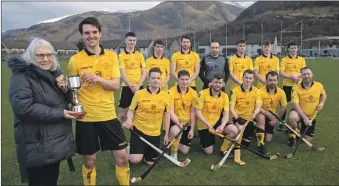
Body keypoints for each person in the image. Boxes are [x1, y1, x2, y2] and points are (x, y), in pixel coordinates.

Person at [67, 17, 130, 185]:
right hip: (86, 117)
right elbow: (71, 91)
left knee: (123, 158)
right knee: (89, 161)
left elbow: (116, 85)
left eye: (94, 32)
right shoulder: (75, 60)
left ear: (100, 33)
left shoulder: (111, 56)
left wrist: (97, 79)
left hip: (108, 115)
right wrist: (69, 85)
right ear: (82, 35)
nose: (91, 36)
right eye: (87, 33)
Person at [8, 38, 77, 186]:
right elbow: (24, 108)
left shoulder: (53, 74)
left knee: (51, 179)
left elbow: (68, 99)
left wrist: (65, 88)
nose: (45, 59)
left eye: (49, 55)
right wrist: (61, 113)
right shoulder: (21, 77)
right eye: (40, 55)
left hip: (52, 143)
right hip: (37, 144)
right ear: (31, 56)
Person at [123, 67, 170, 165]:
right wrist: (129, 121)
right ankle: (130, 147)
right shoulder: (139, 94)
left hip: (155, 132)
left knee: (150, 162)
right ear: (148, 80)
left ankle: (142, 150)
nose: (155, 80)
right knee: (135, 160)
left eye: (158, 78)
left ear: (161, 80)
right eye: (153, 78)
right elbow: (131, 110)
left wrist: (166, 133)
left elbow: (166, 115)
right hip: (139, 130)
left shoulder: (166, 96)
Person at [224, 70, 261, 165]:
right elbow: (231, 107)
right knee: (240, 129)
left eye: (250, 78)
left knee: (245, 144)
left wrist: (255, 113)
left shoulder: (256, 90)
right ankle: (227, 150)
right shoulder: (235, 91)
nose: (248, 80)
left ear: (253, 80)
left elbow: (258, 105)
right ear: (242, 78)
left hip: (249, 119)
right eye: (246, 78)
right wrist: (237, 118)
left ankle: (233, 143)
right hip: (238, 118)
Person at [287, 67, 327, 146]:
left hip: (311, 117)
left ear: (312, 75)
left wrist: (322, 103)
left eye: (308, 74)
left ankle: (296, 130)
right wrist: (304, 117)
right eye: (304, 74)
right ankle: (292, 135)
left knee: (306, 140)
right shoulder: (295, 88)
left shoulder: (318, 85)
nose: (306, 76)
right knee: (292, 118)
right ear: (301, 76)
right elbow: (295, 104)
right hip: (299, 113)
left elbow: (324, 95)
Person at [194, 73, 232, 155]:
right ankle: (204, 143)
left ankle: (223, 149)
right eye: (216, 82)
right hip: (204, 124)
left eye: (220, 83)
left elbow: (226, 115)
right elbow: (197, 112)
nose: (217, 85)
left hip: (217, 122)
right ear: (212, 83)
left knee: (233, 130)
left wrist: (222, 126)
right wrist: (208, 125)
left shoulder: (225, 96)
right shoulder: (202, 93)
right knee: (209, 152)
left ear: (223, 84)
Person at [255, 71, 287, 154]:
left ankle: (257, 128)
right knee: (261, 118)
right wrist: (267, 114)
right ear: (266, 81)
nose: (272, 82)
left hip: (272, 116)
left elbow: (284, 107)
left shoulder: (281, 92)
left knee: (268, 139)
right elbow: (257, 107)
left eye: (274, 80)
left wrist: (277, 119)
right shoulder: (259, 91)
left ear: (277, 81)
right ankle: (260, 145)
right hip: (261, 113)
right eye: (270, 80)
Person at [168, 70, 197, 160]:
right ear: (178, 80)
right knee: (176, 131)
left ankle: (172, 140)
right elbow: (170, 112)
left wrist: (192, 129)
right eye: (182, 79)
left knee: (185, 151)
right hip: (175, 121)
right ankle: (173, 152)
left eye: (187, 79)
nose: (185, 82)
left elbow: (193, 112)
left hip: (187, 123)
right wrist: (178, 123)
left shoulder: (193, 93)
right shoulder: (171, 92)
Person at [118, 32, 147, 123]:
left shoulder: (140, 55)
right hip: (127, 87)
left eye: (134, 40)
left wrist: (138, 86)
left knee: (139, 113)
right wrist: (131, 86)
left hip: (139, 87)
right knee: (123, 115)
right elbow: (123, 73)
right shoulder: (121, 55)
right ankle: (118, 134)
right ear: (125, 41)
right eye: (130, 40)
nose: (132, 42)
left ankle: (136, 133)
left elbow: (144, 73)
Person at [279, 42, 306, 129]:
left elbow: (304, 72)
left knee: (299, 104)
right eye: (292, 48)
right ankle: (282, 121)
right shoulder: (284, 60)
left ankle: (297, 120)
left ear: (297, 49)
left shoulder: (301, 60)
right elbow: (281, 73)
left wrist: (297, 76)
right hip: (287, 85)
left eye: (295, 48)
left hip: (298, 86)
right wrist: (291, 77)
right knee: (284, 104)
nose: (294, 49)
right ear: (288, 49)